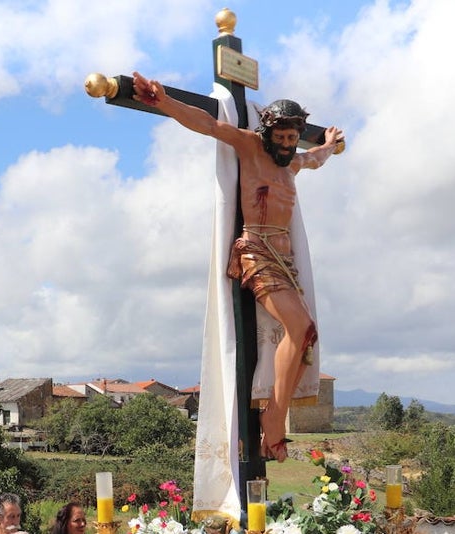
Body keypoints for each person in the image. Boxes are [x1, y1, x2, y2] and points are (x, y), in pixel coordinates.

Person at [131, 71, 343, 461]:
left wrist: (327, 143)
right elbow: (209, 123)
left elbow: (315, 158)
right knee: (301, 328)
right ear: (267, 133)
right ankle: (274, 425)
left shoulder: (291, 164)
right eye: (279, 138)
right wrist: (164, 102)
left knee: (305, 338)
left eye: (291, 139)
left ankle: (272, 424)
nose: (285, 145)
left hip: (286, 259)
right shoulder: (250, 148)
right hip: (257, 251)